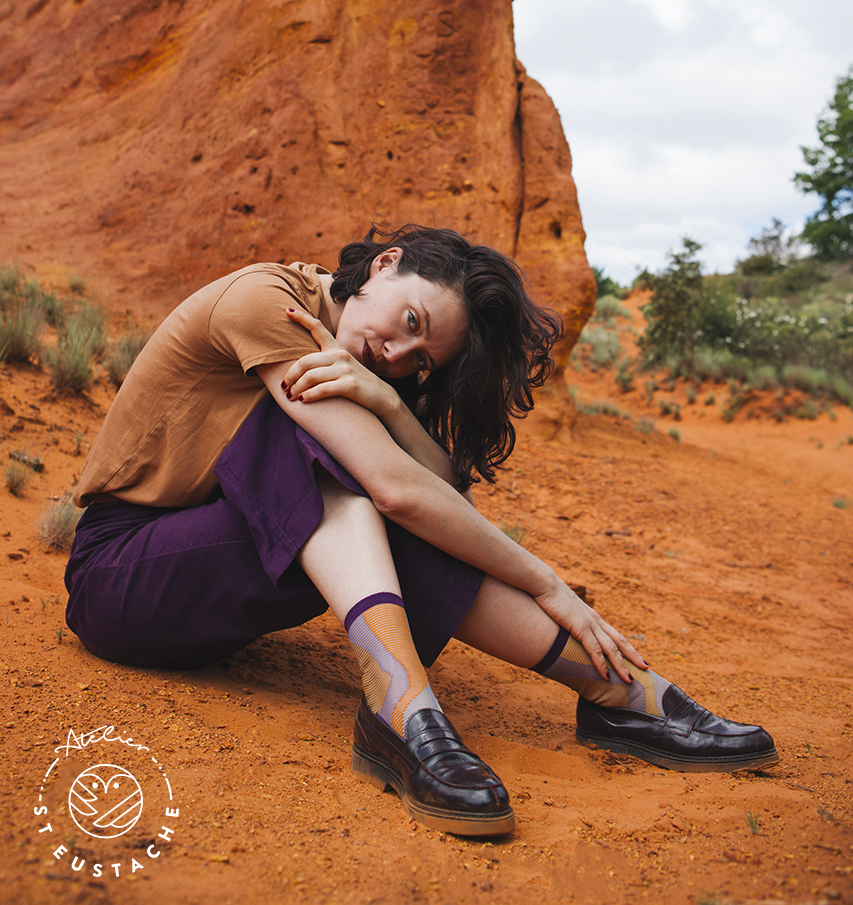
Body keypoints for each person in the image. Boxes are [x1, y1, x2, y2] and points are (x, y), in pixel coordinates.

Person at [66, 224, 778, 837]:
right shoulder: (268, 301)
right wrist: (548, 583)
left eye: (420, 360)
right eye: (409, 322)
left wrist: (391, 406)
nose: (395, 355)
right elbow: (398, 490)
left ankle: (616, 693)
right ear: (384, 264)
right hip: (121, 578)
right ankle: (405, 704)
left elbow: (440, 494)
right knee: (324, 445)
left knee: (374, 469)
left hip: (211, 580)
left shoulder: (369, 363)